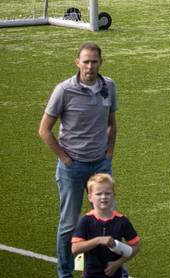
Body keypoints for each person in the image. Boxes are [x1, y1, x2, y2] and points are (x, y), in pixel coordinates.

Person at [39, 43, 118, 278]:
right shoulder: (63, 90)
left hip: (101, 165)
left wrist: (109, 151)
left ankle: (101, 272)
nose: (90, 66)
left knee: (107, 221)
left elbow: (112, 122)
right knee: (69, 226)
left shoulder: (109, 86)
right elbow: (44, 130)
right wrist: (65, 158)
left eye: (94, 61)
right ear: (77, 63)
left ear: (100, 63)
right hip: (73, 168)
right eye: (86, 61)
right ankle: (65, 274)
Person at [71, 173, 140, 278]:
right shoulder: (85, 221)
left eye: (107, 193)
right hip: (91, 275)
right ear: (90, 197)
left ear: (113, 195)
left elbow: (135, 246)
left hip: (115, 274)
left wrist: (117, 264)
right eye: (98, 194)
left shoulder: (122, 221)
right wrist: (98, 240)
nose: (103, 197)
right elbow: (75, 248)